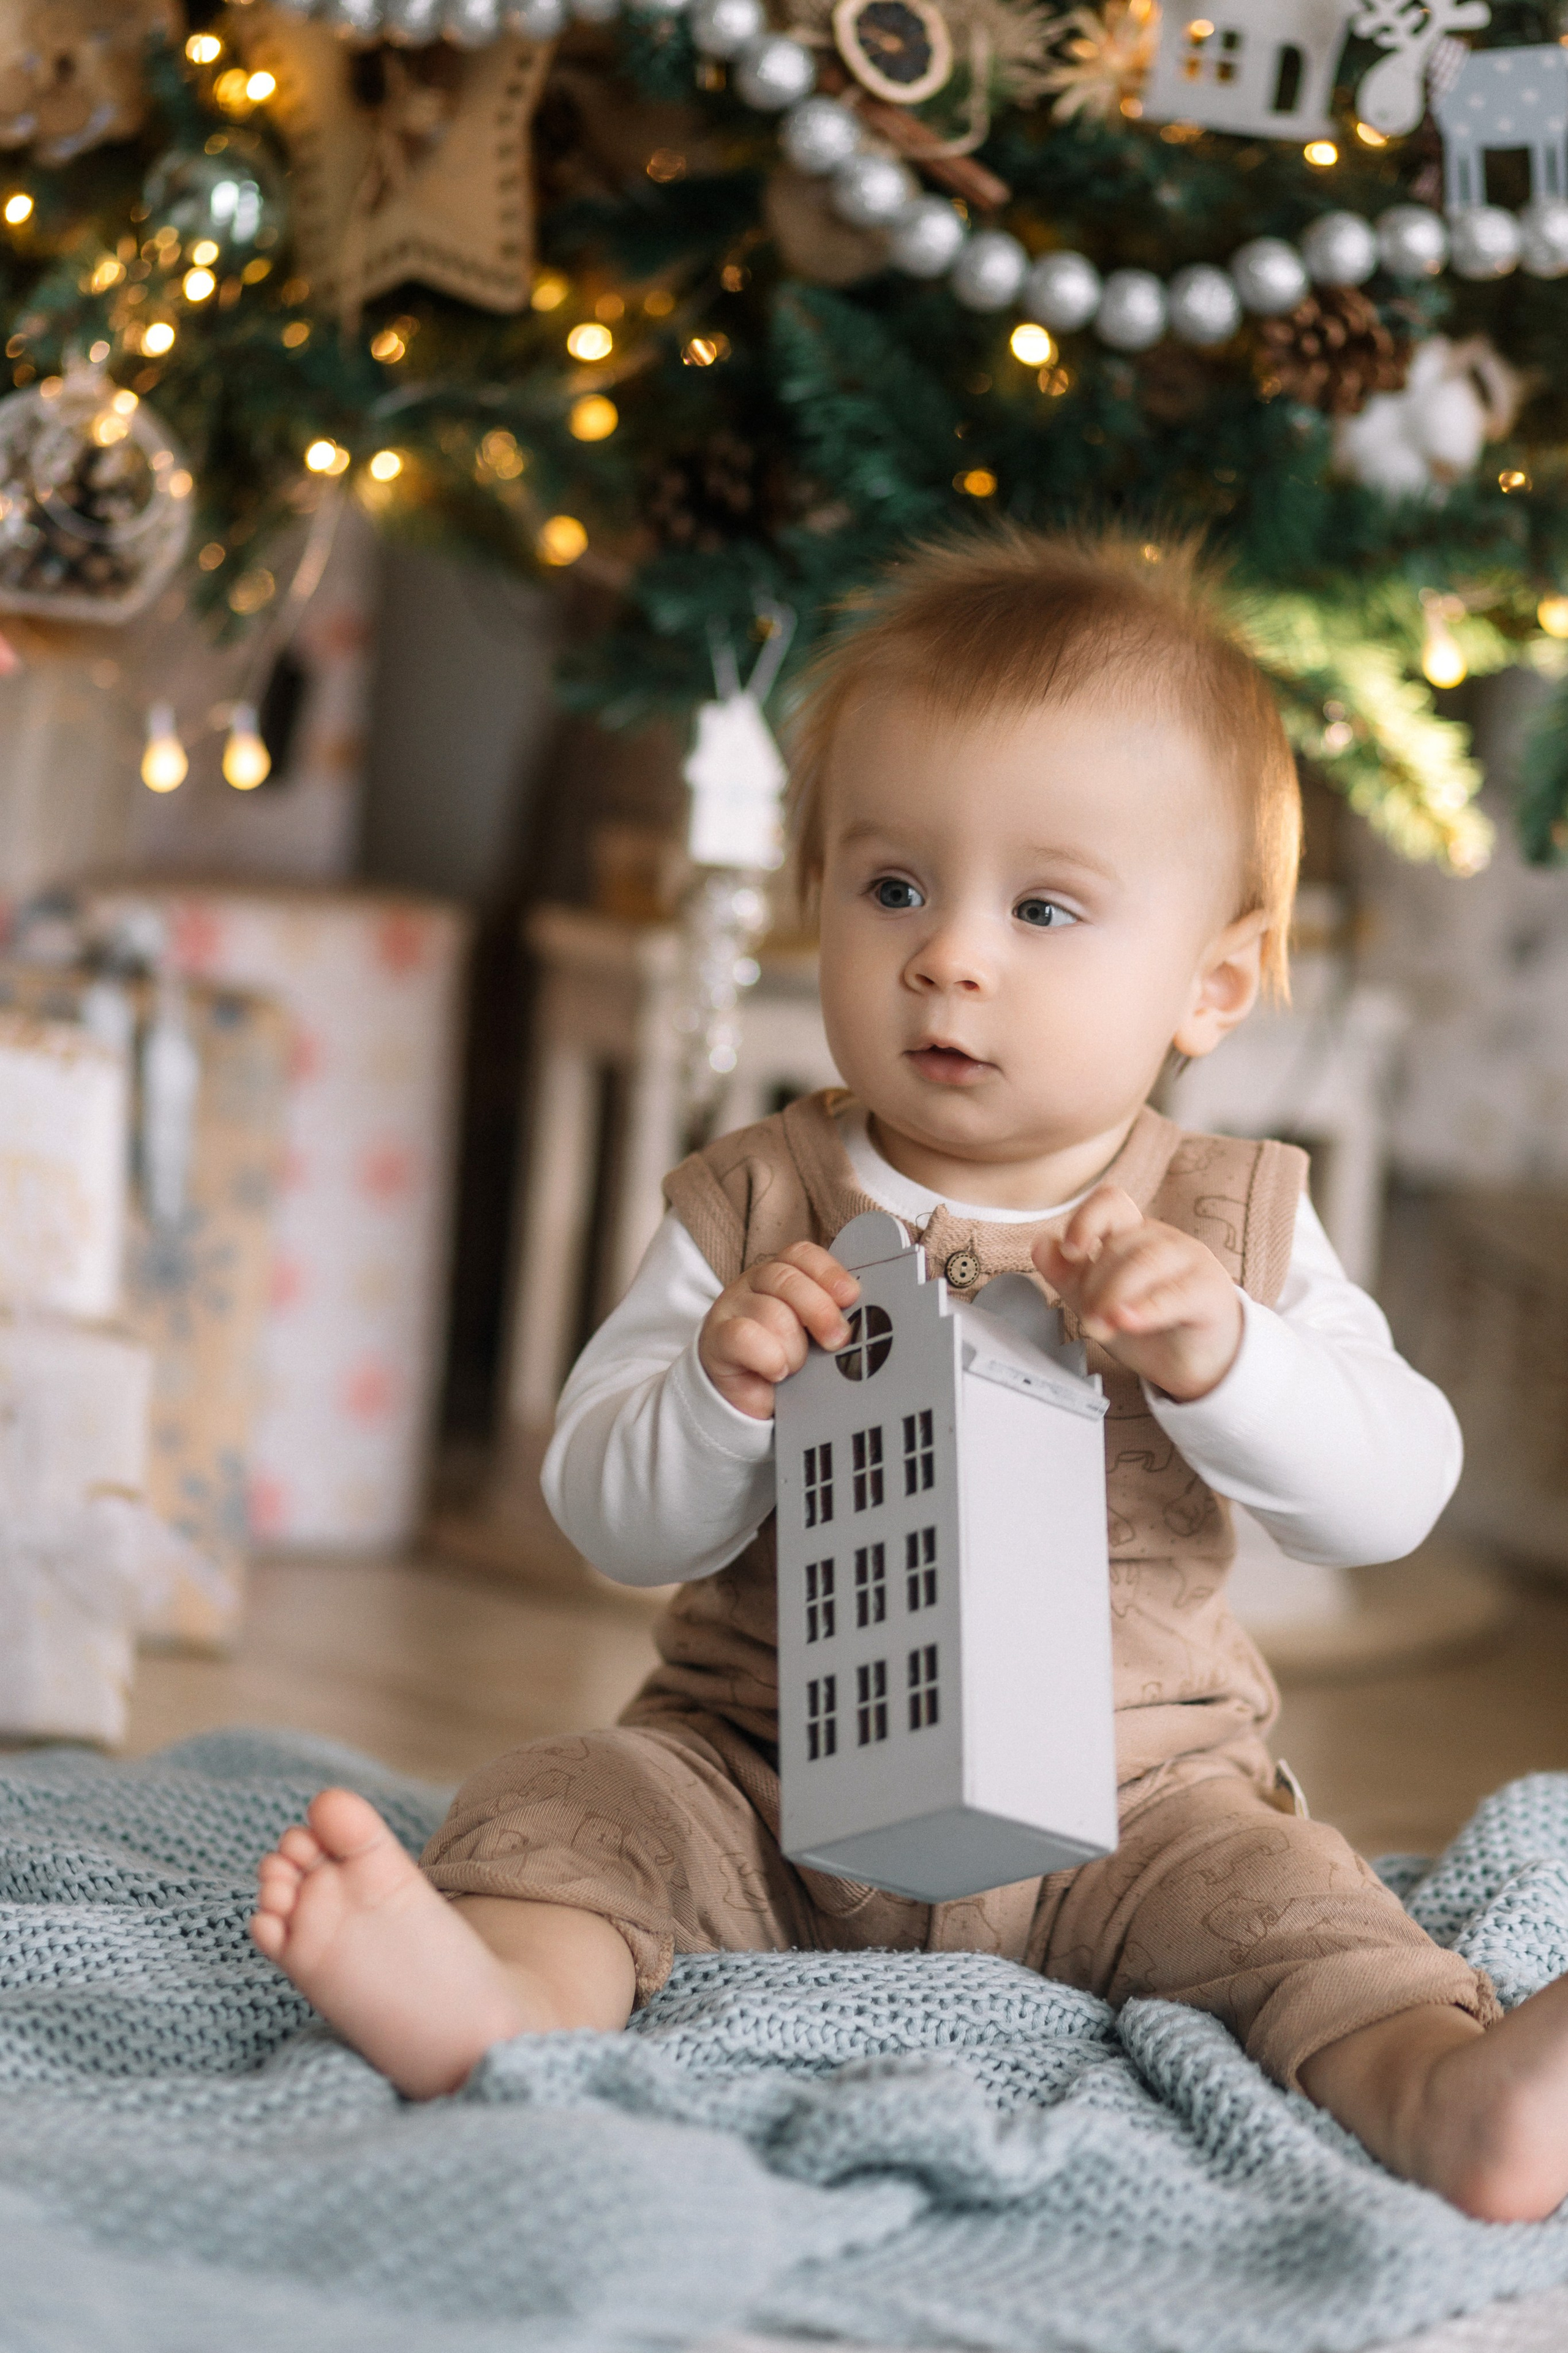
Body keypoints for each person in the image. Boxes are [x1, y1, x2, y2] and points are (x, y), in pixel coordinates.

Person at [252, 528, 1568, 2221]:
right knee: (578, 1805)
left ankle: (1455, 2095)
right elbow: (607, 1514)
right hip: (764, 1774)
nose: (951, 954)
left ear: (1215, 981)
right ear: (820, 897)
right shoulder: (753, 1204)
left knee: (1297, 1914)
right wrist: (717, 1392)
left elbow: (1393, 1490)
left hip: (1135, 1799)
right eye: (894, 887)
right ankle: (497, 1997)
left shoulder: (1225, 1223)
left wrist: (1225, 1355)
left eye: (1043, 906)